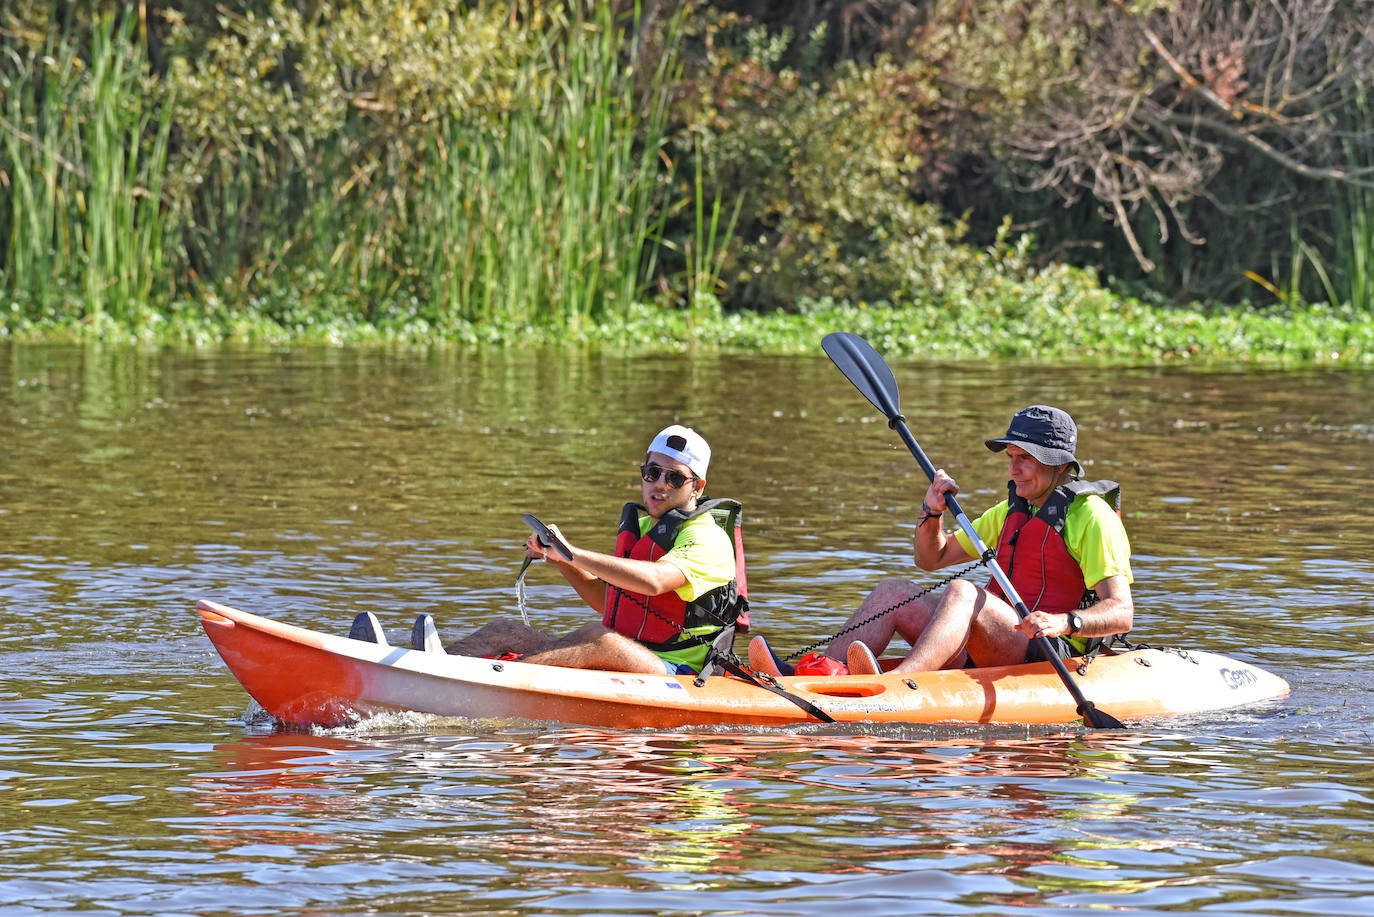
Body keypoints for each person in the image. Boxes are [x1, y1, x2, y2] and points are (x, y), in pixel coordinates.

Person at [751, 404, 1133, 676]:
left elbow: (1121, 613)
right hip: (994, 641)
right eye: (1011, 456)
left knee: (964, 591)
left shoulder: (1091, 516)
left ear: (1060, 464)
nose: (1014, 468)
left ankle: (901, 685)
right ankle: (817, 674)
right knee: (893, 591)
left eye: (1026, 459)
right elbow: (931, 559)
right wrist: (931, 512)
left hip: (1049, 652)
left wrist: (1064, 622)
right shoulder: (1012, 511)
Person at [359, 424, 747, 676]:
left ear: (697, 486)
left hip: (679, 672)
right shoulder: (647, 527)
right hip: (635, 655)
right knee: (504, 629)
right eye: (652, 472)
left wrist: (573, 551)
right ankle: (415, 669)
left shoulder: (708, 537)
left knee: (601, 638)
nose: (658, 484)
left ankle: (489, 682)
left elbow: (654, 582)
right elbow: (607, 601)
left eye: (674, 477)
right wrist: (560, 560)